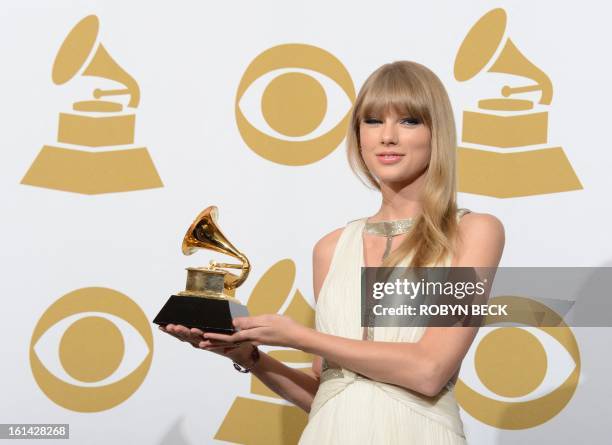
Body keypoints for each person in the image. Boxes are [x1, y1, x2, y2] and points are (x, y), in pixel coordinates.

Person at [160, 61, 504, 444]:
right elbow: (328, 392)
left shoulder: (473, 232)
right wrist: (248, 356)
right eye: (372, 121)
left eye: (408, 121)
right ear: (358, 135)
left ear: (435, 133)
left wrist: (298, 336)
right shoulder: (331, 248)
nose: (387, 137)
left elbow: (430, 370)